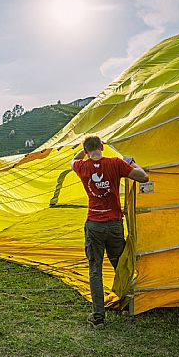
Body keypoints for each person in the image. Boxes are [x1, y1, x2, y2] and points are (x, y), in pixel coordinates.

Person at [71, 136, 148, 329]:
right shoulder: (116, 164)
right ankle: (127, 303)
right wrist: (131, 162)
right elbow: (143, 177)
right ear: (102, 147)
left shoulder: (82, 166)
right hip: (114, 224)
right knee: (119, 264)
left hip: (94, 224)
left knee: (95, 270)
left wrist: (84, 152)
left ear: (86, 151)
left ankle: (98, 317)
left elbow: (72, 160)